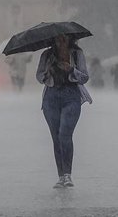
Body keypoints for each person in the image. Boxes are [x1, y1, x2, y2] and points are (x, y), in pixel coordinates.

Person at [36, 34, 92, 189]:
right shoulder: (47, 55)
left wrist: (71, 70)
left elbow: (84, 77)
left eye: (64, 38)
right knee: (56, 137)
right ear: (53, 40)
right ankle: (61, 175)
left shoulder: (76, 53)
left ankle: (68, 174)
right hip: (51, 97)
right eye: (58, 38)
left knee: (65, 134)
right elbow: (39, 76)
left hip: (71, 96)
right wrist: (49, 71)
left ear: (70, 39)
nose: (61, 41)